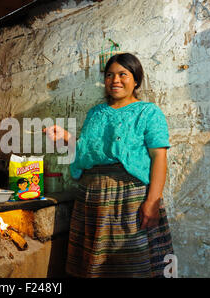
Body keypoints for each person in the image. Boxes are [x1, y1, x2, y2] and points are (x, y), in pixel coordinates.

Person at [44, 53, 174, 278]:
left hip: (130, 199)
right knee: (95, 266)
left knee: (132, 264)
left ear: (136, 80)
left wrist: (152, 202)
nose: (115, 80)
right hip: (92, 197)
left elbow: (159, 157)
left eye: (123, 74)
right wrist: (66, 138)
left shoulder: (148, 112)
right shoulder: (95, 113)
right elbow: (88, 152)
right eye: (109, 75)